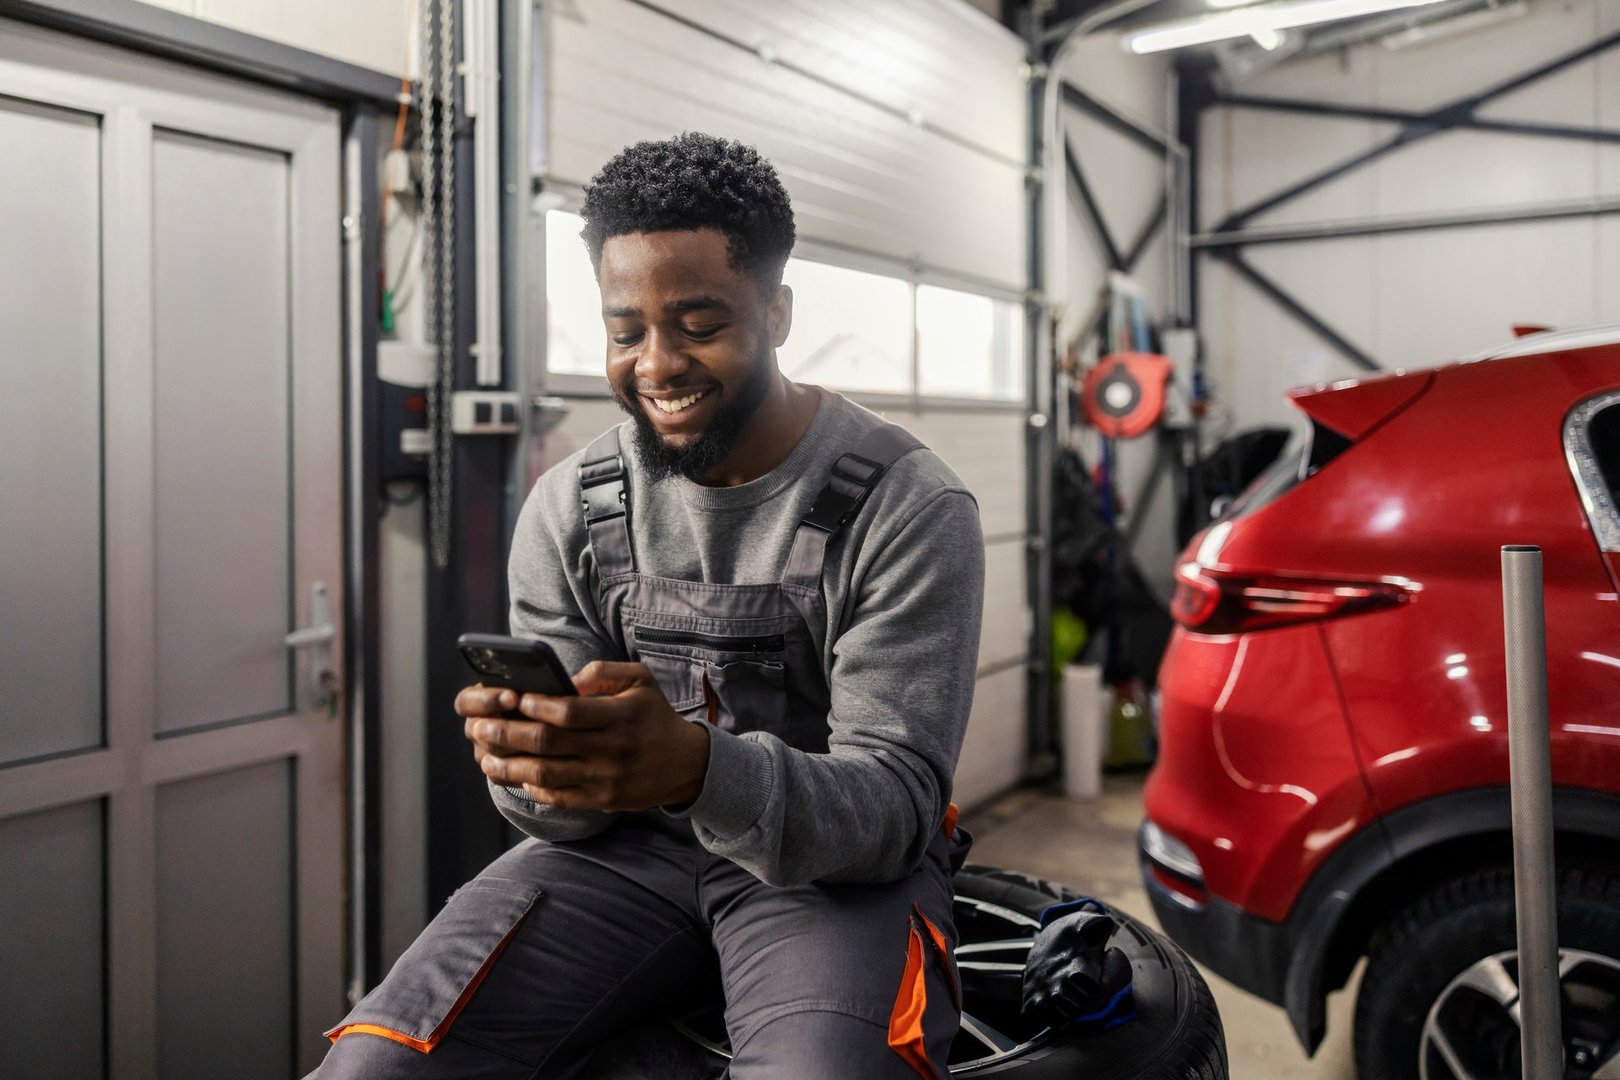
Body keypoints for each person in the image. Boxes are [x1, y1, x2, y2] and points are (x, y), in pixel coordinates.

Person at [314, 132, 986, 1079]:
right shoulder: (571, 504)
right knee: (374, 1069)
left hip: (832, 882)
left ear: (778, 312)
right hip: (625, 862)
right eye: (626, 331)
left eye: (700, 323)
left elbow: (894, 810)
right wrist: (537, 771)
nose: (657, 365)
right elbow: (550, 820)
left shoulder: (907, 505)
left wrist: (691, 768)